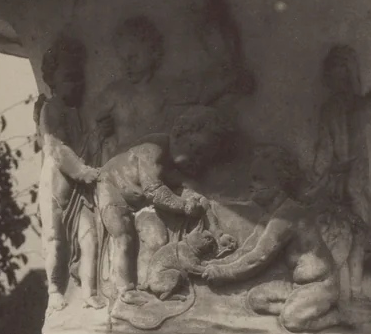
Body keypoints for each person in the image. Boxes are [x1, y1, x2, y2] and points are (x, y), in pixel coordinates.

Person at [198, 144, 345, 333]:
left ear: (279, 183)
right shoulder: (271, 216)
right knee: (256, 299)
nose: (252, 185)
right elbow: (247, 250)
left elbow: (259, 257)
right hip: (297, 285)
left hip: (321, 286)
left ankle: (335, 317)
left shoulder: (286, 215)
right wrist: (216, 264)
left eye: (259, 179)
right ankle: (299, 307)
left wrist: (224, 273)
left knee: (292, 322)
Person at [96, 105, 232, 300]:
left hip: (141, 204)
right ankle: (125, 290)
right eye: (197, 151)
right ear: (179, 134)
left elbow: (197, 198)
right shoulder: (154, 149)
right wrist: (184, 205)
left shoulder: (176, 165)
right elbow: (154, 191)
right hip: (113, 189)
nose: (198, 162)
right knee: (123, 235)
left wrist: (218, 234)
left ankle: (148, 285)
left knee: (158, 239)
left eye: (205, 158)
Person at [35, 35, 102, 311]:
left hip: (78, 186)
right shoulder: (51, 109)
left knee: (90, 237)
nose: (77, 84)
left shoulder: (77, 112)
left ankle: (89, 291)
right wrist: (84, 172)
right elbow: (57, 148)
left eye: (79, 78)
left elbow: (84, 144)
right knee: (56, 240)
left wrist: (98, 136)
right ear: (52, 80)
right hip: (57, 184)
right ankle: (54, 289)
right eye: (69, 77)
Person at [92, 16, 169, 163]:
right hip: (122, 166)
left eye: (133, 57)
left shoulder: (165, 90)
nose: (127, 64)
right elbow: (90, 127)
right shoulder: (114, 93)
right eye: (123, 59)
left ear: (153, 52)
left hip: (155, 164)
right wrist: (100, 131)